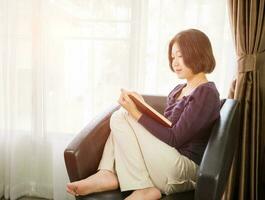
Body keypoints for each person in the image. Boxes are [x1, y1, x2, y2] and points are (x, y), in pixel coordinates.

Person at [66, 29, 220, 200]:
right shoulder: (178, 90)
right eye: (172, 57)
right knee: (120, 116)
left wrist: (136, 113)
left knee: (124, 115)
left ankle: (133, 183)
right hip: (165, 160)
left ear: (196, 52)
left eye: (180, 55)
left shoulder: (206, 93)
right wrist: (142, 107)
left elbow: (175, 138)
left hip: (183, 170)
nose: (175, 62)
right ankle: (108, 172)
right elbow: (165, 127)